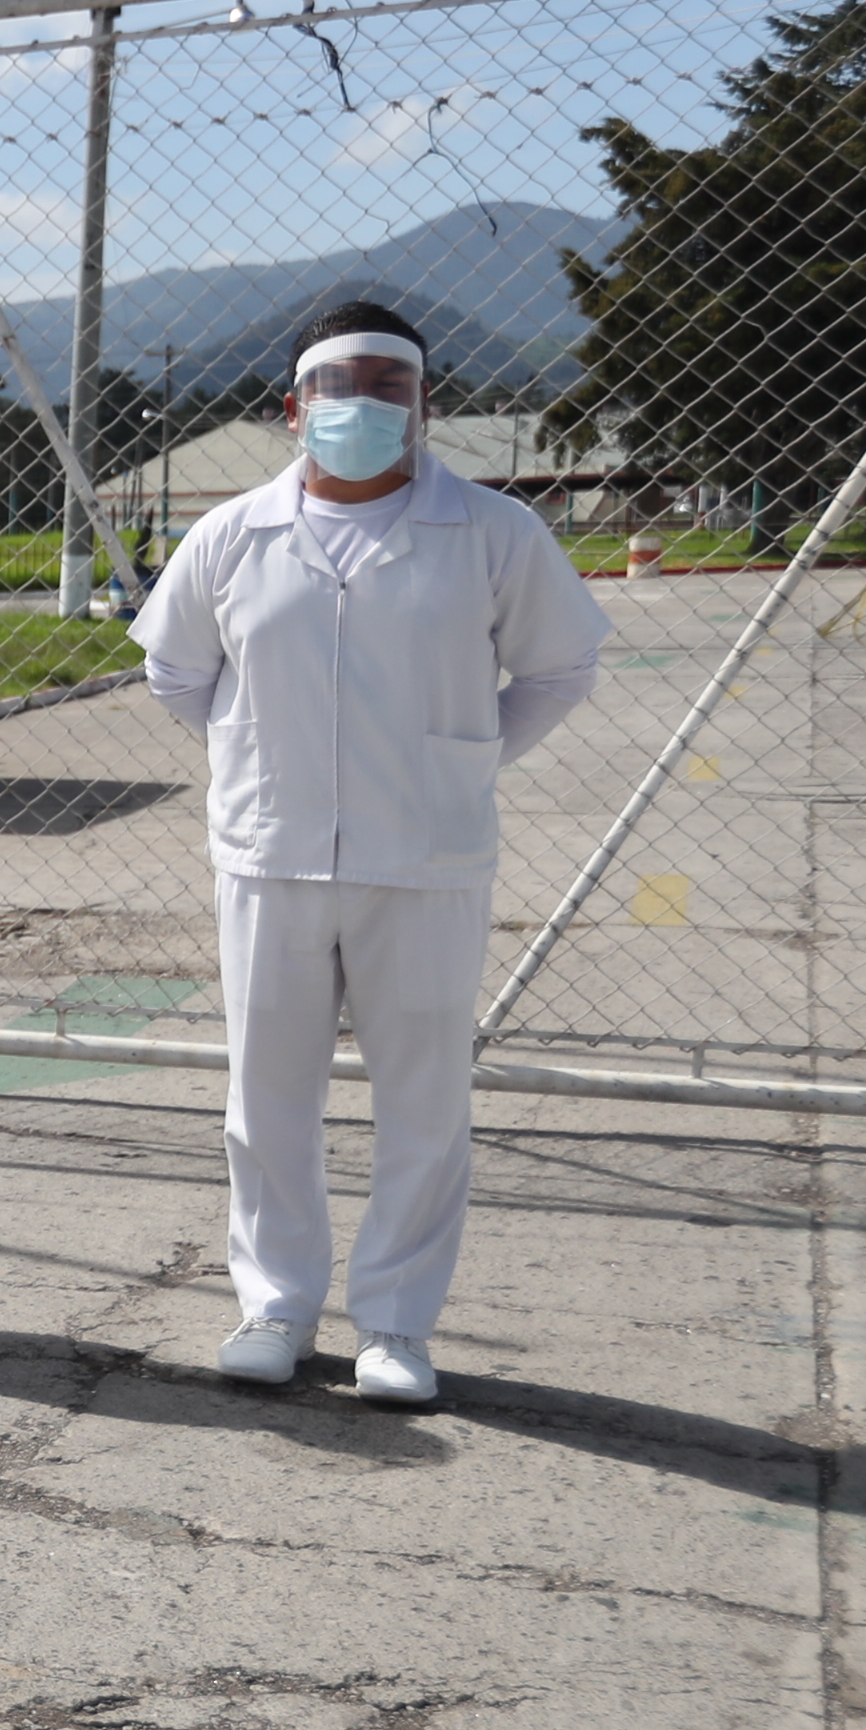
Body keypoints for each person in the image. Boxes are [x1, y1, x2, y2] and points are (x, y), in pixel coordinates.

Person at [133, 299, 611, 1404]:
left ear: (425, 407)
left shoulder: (493, 532)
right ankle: (276, 1306)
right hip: (271, 853)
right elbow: (175, 672)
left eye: (388, 390)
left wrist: (468, 760)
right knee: (267, 1098)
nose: (362, 411)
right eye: (337, 392)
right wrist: (255, 750)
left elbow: (559, 669)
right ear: (292, 408)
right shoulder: (230, 533)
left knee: (425, 1099)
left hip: (427, 858)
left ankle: (396, 1325)